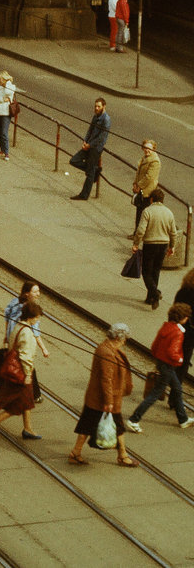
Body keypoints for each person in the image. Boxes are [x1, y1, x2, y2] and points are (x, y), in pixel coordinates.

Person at [68, 323, 137, 467]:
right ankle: (122, 455)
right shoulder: (107, 352)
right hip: (103, 399)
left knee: (88, 426)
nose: (125, 341)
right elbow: (107, 379)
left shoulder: (109, 348)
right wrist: (109, 401)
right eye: (124, 338)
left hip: (98, 398)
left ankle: (76, 453)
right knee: (115, 426)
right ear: (118, 337)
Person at [126, 303, 193, 432]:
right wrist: (181, 359)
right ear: (183, 318)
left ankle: (183, 419)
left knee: (177, 389)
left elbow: (154, 347)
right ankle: (134, 419)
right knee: (155, 394)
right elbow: (172, 352)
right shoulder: (178, 333)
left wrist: (160, 358)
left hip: (162, 364)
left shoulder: (166, 327)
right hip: (168, 366)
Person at [0, 299, 43, 439]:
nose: (37, 320)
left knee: (28, 401)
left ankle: (28, 429)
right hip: (21, 373)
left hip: (13, 369)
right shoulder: (28, 333)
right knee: (19, 404)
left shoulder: (18, 327)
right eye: (36, 318)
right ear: (31, 317)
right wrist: (28, 374)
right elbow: (25, 356)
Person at [0, 282, 50, 402]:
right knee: (26, 367)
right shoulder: (31, 310)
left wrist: (6, 336)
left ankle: (33, 395)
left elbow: (6, 318)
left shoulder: (14, 302)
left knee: (13, 365)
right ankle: (34, 395)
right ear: (27, 293)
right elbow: (36, 333)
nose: (38, 294)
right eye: (35, 291)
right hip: (21, 342)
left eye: (38, 291)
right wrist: (44, 348)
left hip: (13, 339)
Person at [133, 189, 177, 310]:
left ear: (151, 199)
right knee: (156, 271)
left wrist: (136, 243)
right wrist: (172, 246)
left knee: (146, 272)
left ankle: (155, 293)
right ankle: (150, 298)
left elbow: (141, 229)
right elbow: (173, 232)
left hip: (150, 244)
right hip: (163, 244)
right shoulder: (169, 212)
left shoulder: (147, 211)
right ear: (162, 200)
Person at [70, 98, 110, 200]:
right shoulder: (95, 116)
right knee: (74, 160)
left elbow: (101, 137)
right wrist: (85, 141)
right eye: (95, 106)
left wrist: (90, 145)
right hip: (88, 145)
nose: (96, 108)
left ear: (104, 107)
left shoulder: (106, 120)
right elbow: (90, 129)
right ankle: (95, 170)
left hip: (96, 149)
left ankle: (84, 195)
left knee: (89, 174)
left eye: (99, 106)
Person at [132, 140, 160, 228]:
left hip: (147, 192)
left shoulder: (155, 161)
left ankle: (140, 234)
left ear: (154, 149)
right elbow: (138, 173)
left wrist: (139, 186)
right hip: (141, 190)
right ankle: (137, 232)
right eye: (145, 148)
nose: (146, 150)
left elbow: (149, 177)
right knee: (139, 213)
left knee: (144, 215)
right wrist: (135, 184)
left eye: (149, 148)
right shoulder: (145, 158)